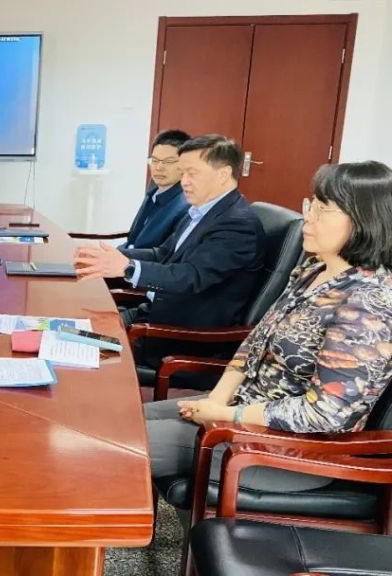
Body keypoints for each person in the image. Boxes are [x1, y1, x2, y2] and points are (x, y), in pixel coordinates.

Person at [146, 160, 392, 500]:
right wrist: (216, 400)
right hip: (243, 415)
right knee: (122, 424)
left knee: (115, 448)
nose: (309, 217)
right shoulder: (314, 270)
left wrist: (227, 414)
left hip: (290, 450)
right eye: (311, 205)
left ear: (366, 220)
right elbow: (255, 343)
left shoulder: (368, 303)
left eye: (323, 209)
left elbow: (326, 414)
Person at [74, 134, 265, 366]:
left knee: (77, 352)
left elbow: (191, 276)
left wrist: (128, 268)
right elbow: (162, 254)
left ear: (223, 174)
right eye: (182, 173)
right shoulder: (200, 212)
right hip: (152, 315)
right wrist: (113, 257)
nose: (184, 182)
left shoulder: (237, 225)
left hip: (180, 337)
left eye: (192, 173)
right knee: (73, 330)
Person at [124, 129, 191, 249]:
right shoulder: (153, 193)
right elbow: (133, 239)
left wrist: (119, 255)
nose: (159, 167)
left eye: (168, 162)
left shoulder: (186, 205)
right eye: (154, 161)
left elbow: (165, 253)